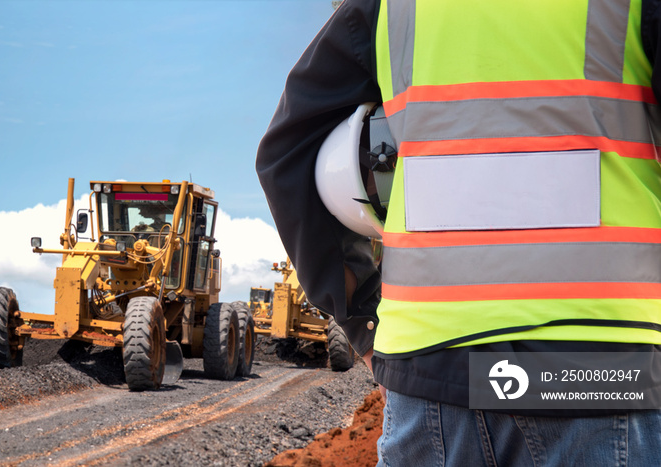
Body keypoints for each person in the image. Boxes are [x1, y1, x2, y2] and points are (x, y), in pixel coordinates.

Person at [257, 1, 661, 465]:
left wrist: (364, 321)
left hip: (428, 372)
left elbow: (287, 153)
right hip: (601, 369)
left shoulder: (391, 8)